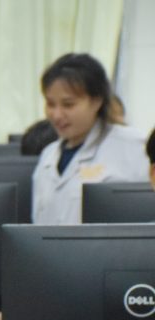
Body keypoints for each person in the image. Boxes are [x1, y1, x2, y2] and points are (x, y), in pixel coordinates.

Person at [32, 53, 149, 225]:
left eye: (68, 104)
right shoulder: (47, 156)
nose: (56, 115)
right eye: (50, 104)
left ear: (96, 101)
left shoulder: (136, 148)